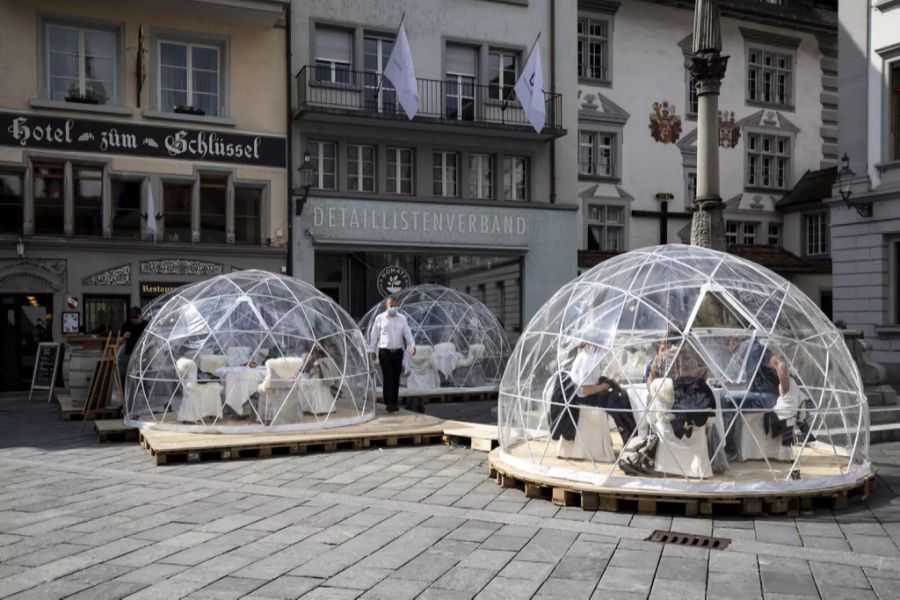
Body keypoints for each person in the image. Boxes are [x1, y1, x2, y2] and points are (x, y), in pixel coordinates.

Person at [368, 296, 417, 413]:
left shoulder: (402, 319)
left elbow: (407, 332)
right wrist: (372, 350)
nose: (394, 308)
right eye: (392, 306)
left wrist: (412, 345)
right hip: (384, 352)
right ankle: (389, 402)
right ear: (387, 305)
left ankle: (394, 402)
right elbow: (374, 335)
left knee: (396, 377)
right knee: (388, 377)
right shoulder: (380, 318)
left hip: (398, 352)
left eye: (396, 306)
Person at [119, 306, 147, 390]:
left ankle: (146, 397)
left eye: (136, 318)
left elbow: (152, 339)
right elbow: (119, 341)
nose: (134, 321)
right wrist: (123, 337)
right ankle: (126, 397)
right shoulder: (127, 325)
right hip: (129, 354)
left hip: (143, 355)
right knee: (126, 375)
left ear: (140, 316)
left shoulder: (146, 325)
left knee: (143, 378)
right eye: (132, 319)